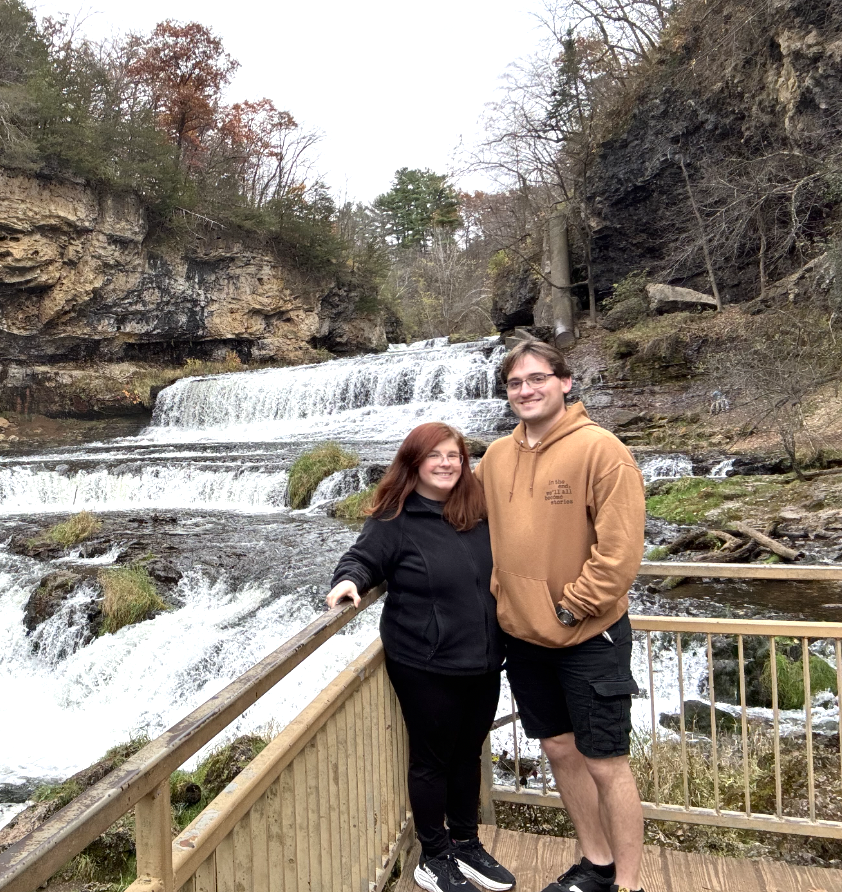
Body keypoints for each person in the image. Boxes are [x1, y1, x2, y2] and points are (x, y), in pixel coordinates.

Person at [475, 339, 647, 892]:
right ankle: (595, 866)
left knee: (606, 761)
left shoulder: (602, 450)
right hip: (523, 638)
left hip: (588, 635)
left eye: (537, 378)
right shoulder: (496, 456)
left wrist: (571, 607)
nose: (526, 390)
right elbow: (460, 524)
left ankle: (629, 883)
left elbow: (619, 555)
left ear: (565, 382)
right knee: (558, 750)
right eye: (515, 383)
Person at [326, 422, 516, 892]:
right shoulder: (396, 517)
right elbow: (363, 558)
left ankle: (467, 844)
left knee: (468, 753)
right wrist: (349, 580)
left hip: (484, 658)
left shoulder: (477, 510)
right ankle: (434, 856)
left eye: (454, 455)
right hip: (424, 661)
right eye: (436, 456)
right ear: (415, 463)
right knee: (432, 759)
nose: (447, 463)